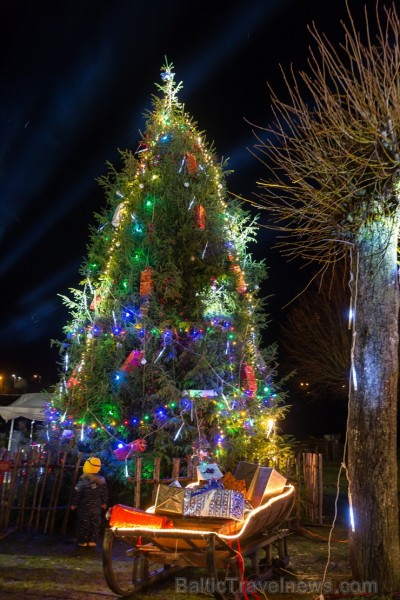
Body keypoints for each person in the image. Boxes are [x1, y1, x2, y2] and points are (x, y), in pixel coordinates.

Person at [71, 456, 108, 548]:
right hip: (96, 506)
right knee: (95, 523)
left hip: (84, 506)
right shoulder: (101, 479)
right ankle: (92, 541)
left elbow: (78, 491)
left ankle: (83, 541)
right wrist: (104, 502)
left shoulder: (83, 479)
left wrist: (74, 503)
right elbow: (104, 492)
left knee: (84, 523)